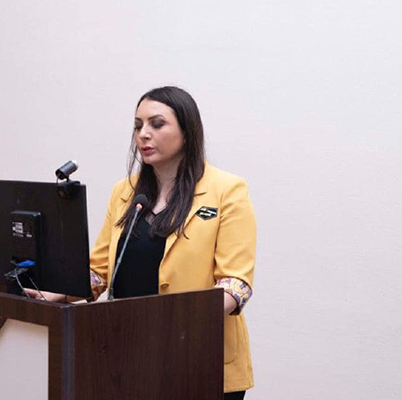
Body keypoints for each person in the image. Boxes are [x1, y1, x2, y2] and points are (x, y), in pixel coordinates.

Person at [28, 86, 256, 399]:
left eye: (157, 124)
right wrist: (62, 290)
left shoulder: (227, 190)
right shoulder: (125, 191)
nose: (143, 134)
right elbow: (100, 271)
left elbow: (235, 283)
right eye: (138, 126)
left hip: (199, 359)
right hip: (129, 354)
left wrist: (177, 319)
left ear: (187, 131)